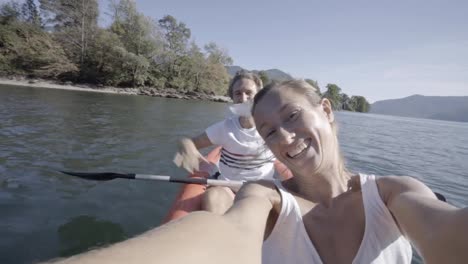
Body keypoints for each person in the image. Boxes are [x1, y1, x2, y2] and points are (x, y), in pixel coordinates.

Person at [46, 79, 467, 264]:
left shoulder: (398, 194)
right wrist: (191, 155)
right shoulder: (262, 198)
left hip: (257, 174)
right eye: (270, 130)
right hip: (241, 181)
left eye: (292, 117)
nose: (283, 137)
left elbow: (448, 233)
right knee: (215, 200)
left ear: (326, 110)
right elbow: (228, 234)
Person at [173, 70, 275, 214]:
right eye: (238, 93)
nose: (243, 98)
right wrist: (186, 146)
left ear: (258, 96)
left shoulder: (273, 127)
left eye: (248, 92)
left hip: (261, 190)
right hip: (227, 188)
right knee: (213, 195)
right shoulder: (224, 128)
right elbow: (189, 142)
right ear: (232, 97)